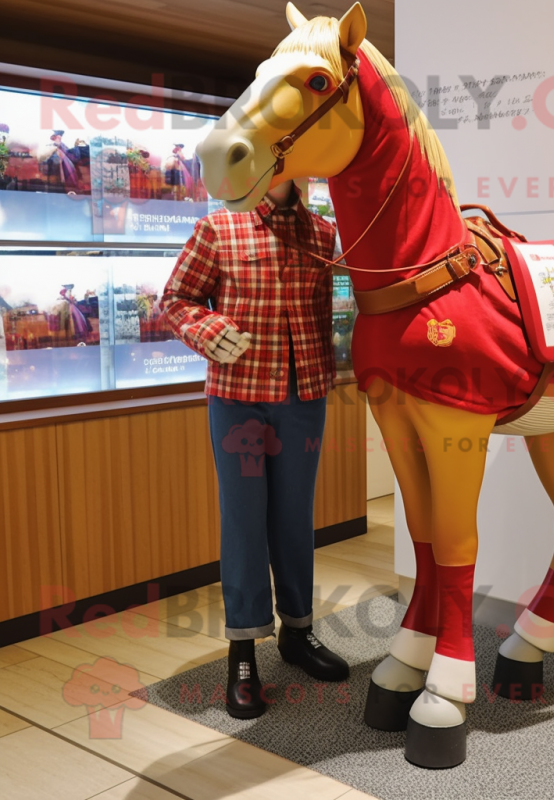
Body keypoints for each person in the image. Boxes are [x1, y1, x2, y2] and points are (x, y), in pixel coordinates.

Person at [160, 180, 349, 720]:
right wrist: (211, 329)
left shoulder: (324, 233)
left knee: (295, 519)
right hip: (238, 398)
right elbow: (175, 300)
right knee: (243, 521)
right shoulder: (218, 227)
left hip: (304, 393)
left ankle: (298, 631)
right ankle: (243, 650)